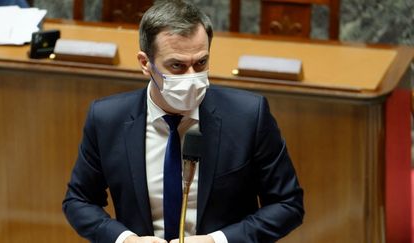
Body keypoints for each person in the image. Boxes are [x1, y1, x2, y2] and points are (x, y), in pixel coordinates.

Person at [62, 1, 304, 243]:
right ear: (145, 63)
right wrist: (125, 240)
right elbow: (79, 201)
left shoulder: (249, 116)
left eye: (200, 63)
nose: (192, 78)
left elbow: (287, 204)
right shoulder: (107, 118)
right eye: (177, 66)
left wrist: (218, 241)